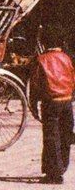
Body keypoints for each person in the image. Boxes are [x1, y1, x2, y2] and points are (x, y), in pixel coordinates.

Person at [31, 24, 74, 185]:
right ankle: (62, 166)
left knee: (51, 137)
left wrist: (33, 105)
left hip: (51, 103)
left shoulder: (41, 60)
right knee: (65, 136)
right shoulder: (66, 58)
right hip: (67, 101)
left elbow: (35, 85)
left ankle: (54, 174)